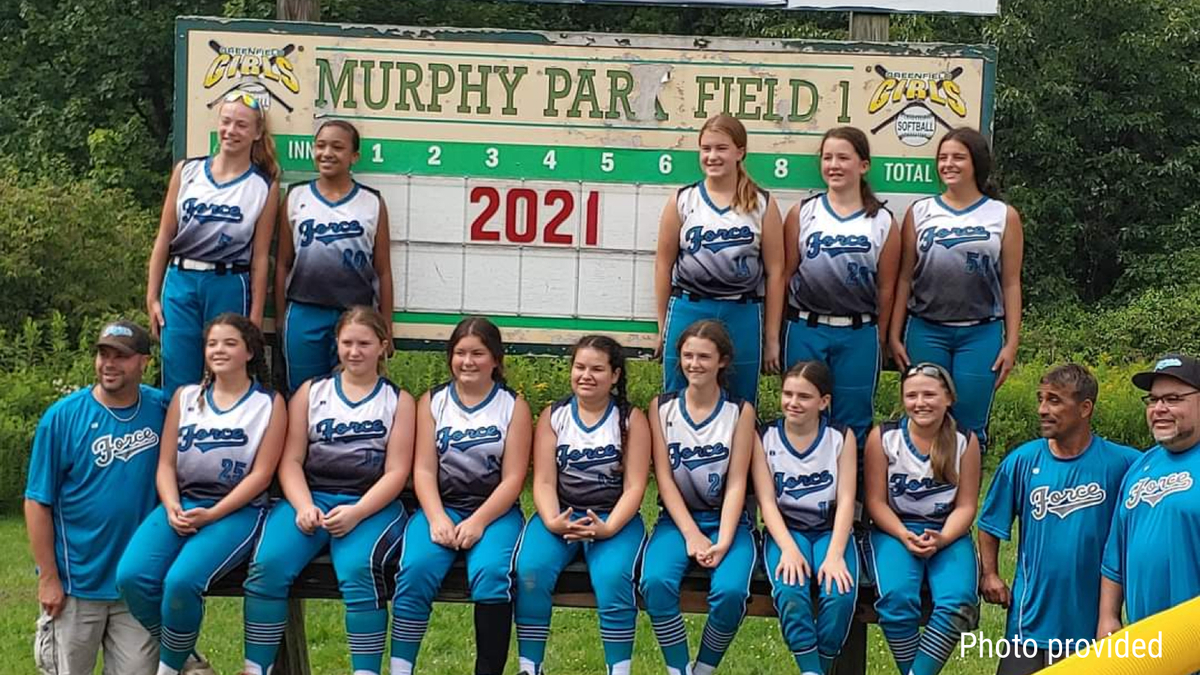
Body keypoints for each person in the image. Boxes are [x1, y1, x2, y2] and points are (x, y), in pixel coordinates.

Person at [241, 306, 414, 675]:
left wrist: (357, 513)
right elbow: (291, 461)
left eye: (364, 343)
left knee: (359, 569)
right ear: (336, 344)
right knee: (267, 566)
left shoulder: (398, 401)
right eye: (347, 343)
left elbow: (397, 472)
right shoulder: (311, 392)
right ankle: (255, 668)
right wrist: (303, 505)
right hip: (313, 498)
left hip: (371, 505)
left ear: (382, 346)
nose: (355, 351)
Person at [117, 313, 286, 675]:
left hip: (236, 511)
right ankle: (189, 659)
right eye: (212, 344)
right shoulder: (186, 397)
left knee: (181, 582)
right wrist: (171, 505)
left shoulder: (269, 403)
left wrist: (213, 514)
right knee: (131, 576)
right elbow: (165, 465)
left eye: (229, 343)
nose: (219, 350)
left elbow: (262, 475)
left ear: (249, 352)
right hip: (183, 503)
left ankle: (169, 669)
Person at [390, 317, 532, 675]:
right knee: (415, 569)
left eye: (478, 353)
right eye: (460, 353)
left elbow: (513, 479)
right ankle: (400, 668)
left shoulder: (513, 405)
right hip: (443, 506)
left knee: (492, 573)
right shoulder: (432, 401)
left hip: (494, 513)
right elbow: (423, 470)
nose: (468, 361)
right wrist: (436, 517)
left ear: (496, 359)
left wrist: (479, 522)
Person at [977, 364, 1138, 674]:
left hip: (1090, 621)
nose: (1042, 409)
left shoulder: (1122, 463)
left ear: (1085, 408)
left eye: (1054, 400)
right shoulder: (1023, 461)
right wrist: (990, 574)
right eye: (1040, 399)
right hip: (1029, 621)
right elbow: (989, 523)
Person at [25, 320, 166, 674]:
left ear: (144, 362)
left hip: (136, 583)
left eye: (121, 356)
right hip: (76, 583)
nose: (109, 364)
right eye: (103, 354)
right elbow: (37, 501)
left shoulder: (162, 409)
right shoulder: (63, 417)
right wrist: (48, 577)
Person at [514, 335, 651, 675]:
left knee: (613, 577)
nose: (586, 375)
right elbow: (543, 481)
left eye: (597, 369)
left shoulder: (632, 419)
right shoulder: (554, 415)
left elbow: (635, 486)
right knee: (530, 571)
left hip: (612, 518)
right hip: (561, 514)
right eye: (579, 367)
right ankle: (530, 666)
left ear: (615, 375)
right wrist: (552, 520)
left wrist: (609, 527)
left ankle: (618, 669)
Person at [888, 127, 1024, 453]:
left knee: (970, 428)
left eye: (958, 157)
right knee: (924, 420)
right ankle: (922, 485)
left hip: (980, 333)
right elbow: (904, 278)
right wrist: (894, 335)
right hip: (926, 329)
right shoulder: (920, 211)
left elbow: (1011, 282)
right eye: (943, 158)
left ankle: (965, 486)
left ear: (976, 162)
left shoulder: (1003, 215)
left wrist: (1012, 342)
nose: (948, 164)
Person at [641, 319, 758, 675]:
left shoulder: (740, 411)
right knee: (655, 582)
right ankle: (678, 668)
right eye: (688, 355)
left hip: (729, 521)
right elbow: (664, 478)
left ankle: (704, 668)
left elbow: (737, 483)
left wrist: (723, 541)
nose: (694, 364)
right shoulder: (661, 407)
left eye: (704, 357)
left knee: (732, 592)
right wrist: (691, 534)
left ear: (723, 361)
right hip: (677, 521)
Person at [146, 90, 280, 400]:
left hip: (229, 282)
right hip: (181, 281)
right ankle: (178, 432)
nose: (231, 130)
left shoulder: (264, 185)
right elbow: (164, 237)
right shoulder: (187, 171)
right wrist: (152, 296)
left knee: (226, 375)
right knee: (178, 379)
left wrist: (256, 317)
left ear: (257, 133)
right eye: (226, 122)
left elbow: (261, 257)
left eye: (242, 125)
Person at [654, 113, 785, 404]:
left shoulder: (762, 203)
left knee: (741, 402)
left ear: (740, 152)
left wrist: (772, 337)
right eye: (706, 148)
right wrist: (663, 325)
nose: (712, 156)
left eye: (721, 148)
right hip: (690, 306)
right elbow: (664, 265)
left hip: (743, 311)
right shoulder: (683, 200)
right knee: (677, 398)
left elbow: (776, 273)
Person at [782, 127, 899, 445]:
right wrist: (774, 334)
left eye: (843, 158)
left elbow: (887, 288)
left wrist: (881, 336)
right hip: (806, 327)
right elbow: (785, 275)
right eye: (827, 157)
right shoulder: (803, 213)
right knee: (802, 415)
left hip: (858, 332)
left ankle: (853, 479)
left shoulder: (883, 220)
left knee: (854, 423)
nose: (834, 165)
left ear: (863, 165)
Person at [864, 362, 980, 675]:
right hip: (895, 528)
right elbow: (875, 502)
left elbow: (966, 506)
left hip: (946, 530)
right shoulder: (884, 437)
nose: (920, 403)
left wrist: (943, 538)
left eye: (929, 394)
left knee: (958, 602)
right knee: (896, 598)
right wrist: (903, 535)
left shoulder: (964, 441)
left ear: (948, 398)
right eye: (911, 395)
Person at [752, 361, 857, 674]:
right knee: (791, 590)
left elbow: (847, 500)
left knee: (839, 593)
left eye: (804, 396)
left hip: (829, 531)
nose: (793, 402)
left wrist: (835, 555)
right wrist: (787, 548)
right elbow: (766, 501)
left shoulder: (840, 437)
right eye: (788, 394)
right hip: (787, 531)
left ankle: (817, 667)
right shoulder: (765, 436)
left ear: (823, 401)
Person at [275, 120, 394, 392]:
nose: (327, 153)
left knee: (353, 393)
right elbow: (282, 264)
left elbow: (383, 270)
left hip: (356, 313)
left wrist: (386, 324)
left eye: (337, 147)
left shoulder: (372, 202)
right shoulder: (295, 196)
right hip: (304, 312)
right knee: (303, 395)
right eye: (320, 146)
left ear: (354, 156)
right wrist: (282, 319)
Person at [1099, 355, 1200, 636]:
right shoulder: (1140, 467)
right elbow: (1115, 554)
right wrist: (1108, 616)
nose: (1159, 409)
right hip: (1146, 639)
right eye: (1153, 400)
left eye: (1173, 399)